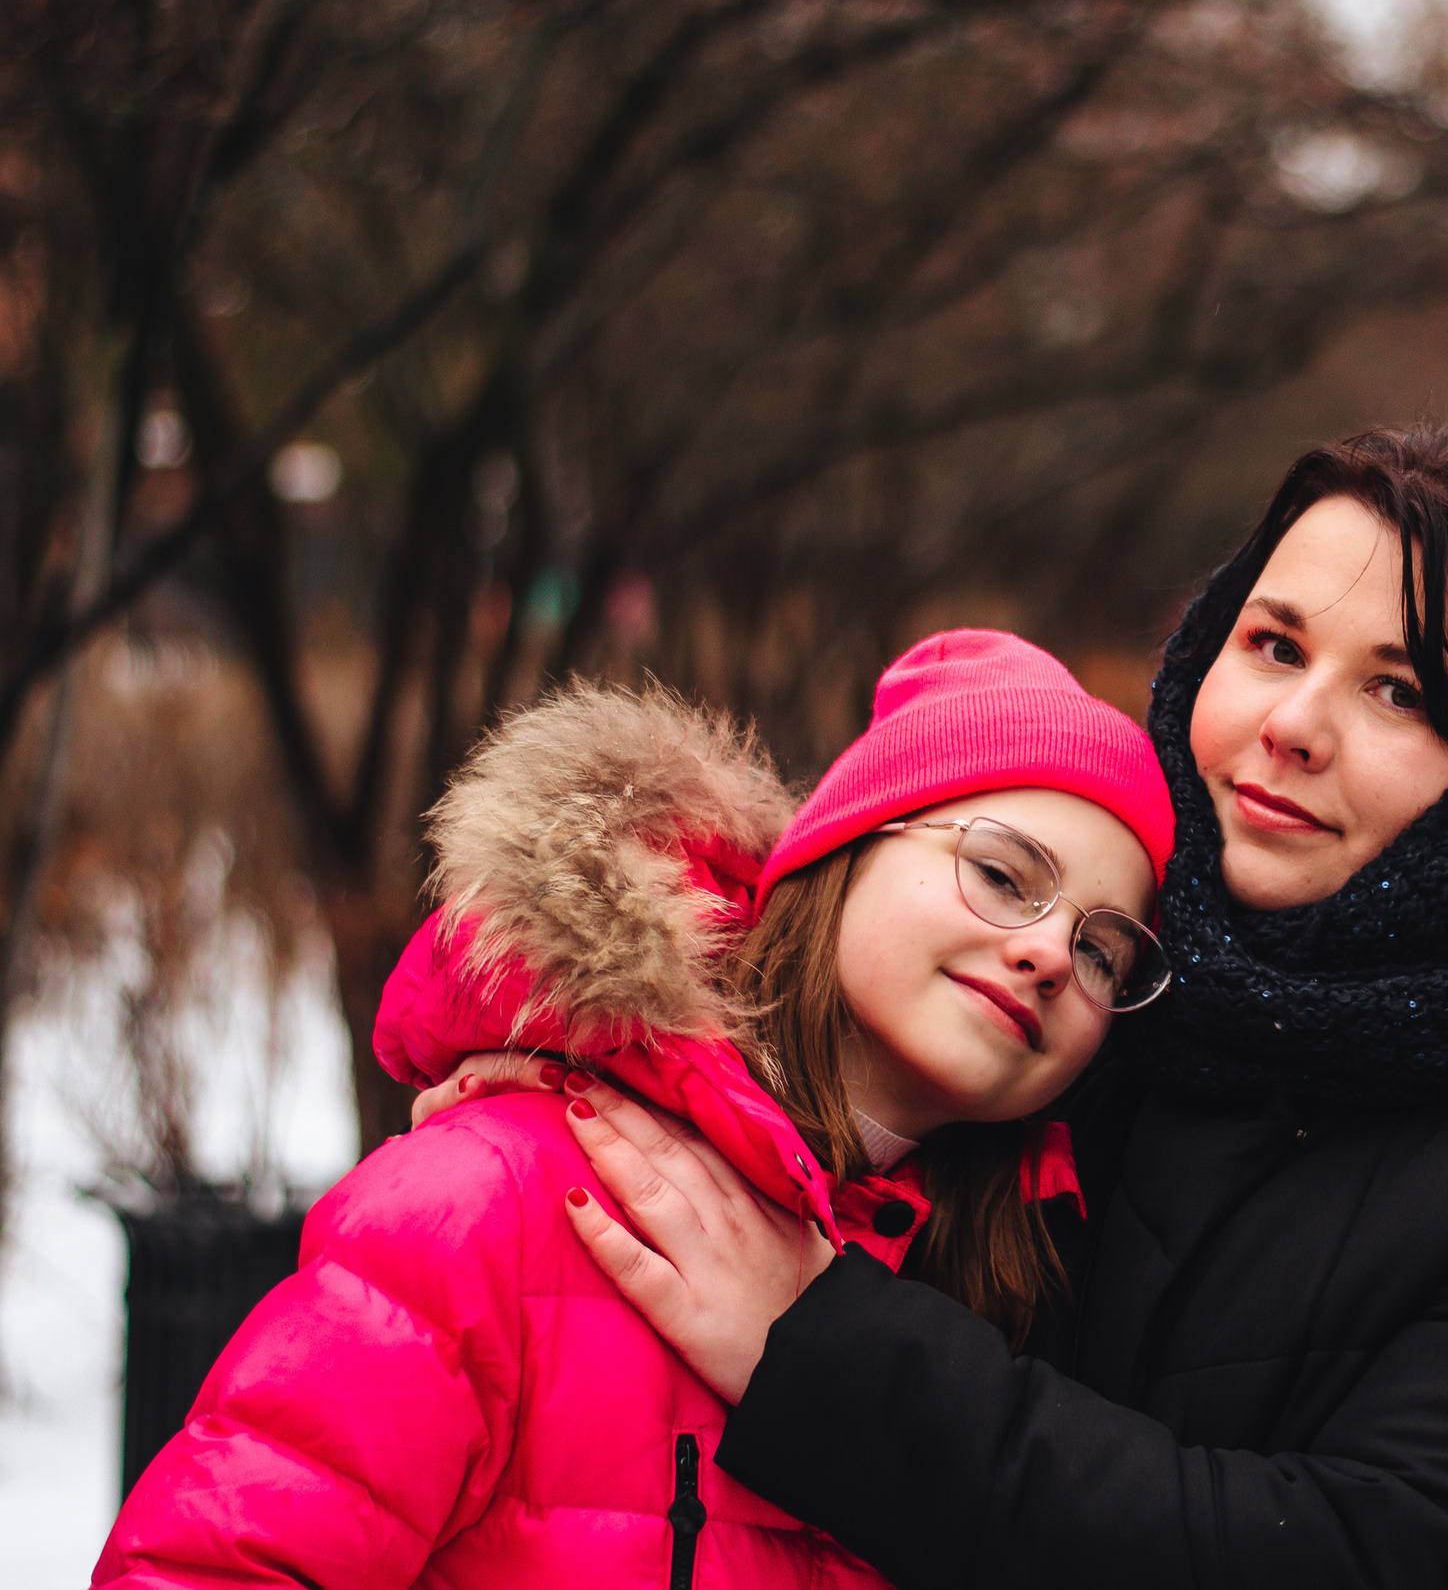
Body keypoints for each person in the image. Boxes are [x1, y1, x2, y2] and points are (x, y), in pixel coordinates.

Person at [435, 424, 1448, 1588]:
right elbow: (830, 1105)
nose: (1293, 722)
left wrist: (824, 1350)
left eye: (1404, 691)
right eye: (1274, 641)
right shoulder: (1129, 985)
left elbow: (1370, 1556)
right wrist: (588, 1083)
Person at [91, 631, 1177, 1590]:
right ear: (845, 851)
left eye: (1099, 950)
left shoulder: (1004, 1313)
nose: (1045, 954)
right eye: (1001, 874)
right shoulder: (499, 1196)